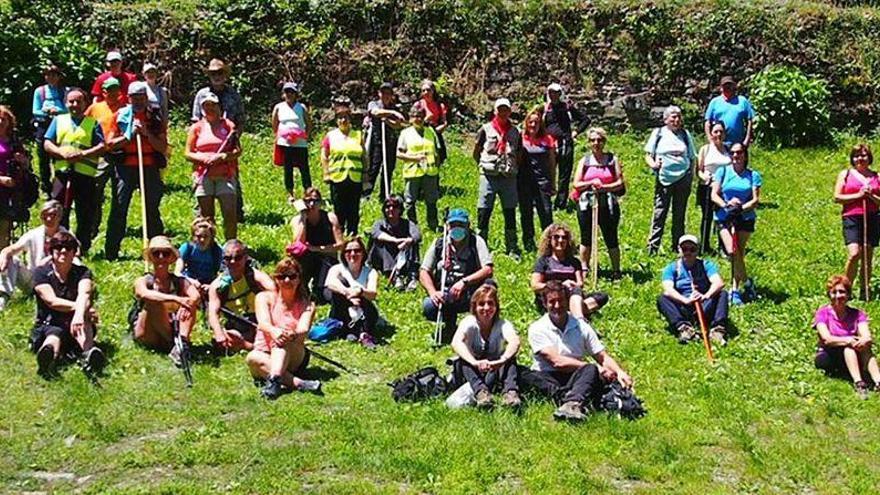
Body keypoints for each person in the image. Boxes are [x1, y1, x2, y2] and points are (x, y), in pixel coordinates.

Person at [523, 280, 633, 421]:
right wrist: (597, 369)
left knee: (590, 370)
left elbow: (602, 356)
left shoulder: (581, 326)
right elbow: (557, 362)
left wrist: (619, 372)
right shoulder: (537, 328)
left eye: (561, 300)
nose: (557, 305)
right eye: (552, 302)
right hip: (547, 376)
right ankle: (573, 396)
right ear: (545, 304)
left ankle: (572, 404)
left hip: (575, 377)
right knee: (524, 374)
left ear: (567, 300)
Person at [104, 81, 168, 261]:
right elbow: (109, 144)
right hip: (125, 168)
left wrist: (147, 134)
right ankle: (111, 252)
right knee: (119, 207)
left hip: (149, 168)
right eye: (134, 98)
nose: (138, 101)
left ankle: (158, 250)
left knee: (151, 209)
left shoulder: (155, 117)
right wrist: (128, 136)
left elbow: (163, 147)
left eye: (141, 98)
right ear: (128, 98)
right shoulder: (120, 116)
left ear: (146, 98)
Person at [246, 258, 322, 400]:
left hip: (294, 353)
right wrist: (275, 331)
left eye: (292, 276)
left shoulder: (307, 305)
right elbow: (263, 323)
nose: (287, 281)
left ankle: (274, 381)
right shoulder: (263, 298)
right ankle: (299, 383)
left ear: (299, 279)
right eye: (282, 277)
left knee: (282, 341)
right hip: (265, 352)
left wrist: (290, 334)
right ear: (276, 279)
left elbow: (303, 328)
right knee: (252, 357)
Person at [31, 231, 104, 378]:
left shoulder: (83, 272)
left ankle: (88, 354)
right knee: (54, 335)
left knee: (84, 321)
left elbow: (85, 294)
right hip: (49, 322)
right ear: (51, 251)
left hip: (75, 322)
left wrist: (79, 315)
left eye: (69, 247)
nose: (63, 250)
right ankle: (48, 357)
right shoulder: (41, 273)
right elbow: (52, 301)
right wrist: (81, 309)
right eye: (58, 247)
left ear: (74, 252)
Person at [42, 88, 105, 254]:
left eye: (79, 101)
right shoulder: (58, 120)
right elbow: (47, 143)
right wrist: (61, 152)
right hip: (62, 174)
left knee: (85, 212)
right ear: (66, 103)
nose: (75, 105)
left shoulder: (93, 123)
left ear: (85, 103)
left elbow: (101, 146)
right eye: (71, 101)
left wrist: (82, 154)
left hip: (85, 175)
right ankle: (58, 244)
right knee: (57, 210)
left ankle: (81, 248)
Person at [420, 208, 494, 340]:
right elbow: (424, 271)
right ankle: (449, 324)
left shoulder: (476, 241)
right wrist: (433, 293)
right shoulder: (439, 244)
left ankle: (481, 327)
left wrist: (464, 282)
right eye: (453, 225)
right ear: (447, 226)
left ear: (467, 226)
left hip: (470, 291)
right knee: (428, 306)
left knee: (489, 287)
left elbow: (487, 269)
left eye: (460, 225)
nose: (456, 228)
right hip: (446, 290)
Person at [450, 285, 522, 409]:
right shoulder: (469, 322)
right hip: (470, 372)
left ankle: (510, 394)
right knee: (462, 360)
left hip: (493, 369)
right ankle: (481, 394)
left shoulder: (503, 324)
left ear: (496, 306)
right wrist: (475, 362)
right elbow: (456, 342)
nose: (486, 308)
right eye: (481, 304)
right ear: (475, 306)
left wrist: (501, 360)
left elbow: (515, 341)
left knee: (510, 359)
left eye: (490, 303)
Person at [132, 236, 201, 365]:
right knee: (154, 302)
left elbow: (195, 296)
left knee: (190, 303)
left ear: (171, 258)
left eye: (166, 253)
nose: (161, 257)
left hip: (170, 327)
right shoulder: (143, 280)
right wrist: (176, 299)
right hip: (148, 333)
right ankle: (176, 345)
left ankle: (182, 343)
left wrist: (186, 304)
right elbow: (143, 294)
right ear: (151, 258)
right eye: (156, 253)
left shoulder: (179, 281)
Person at [192, 58, 246, 218]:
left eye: (220, 72)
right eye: (213, 73)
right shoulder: (202, 94)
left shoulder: (233, 94)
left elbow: (240, 119)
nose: (217, 76)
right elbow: (195, 120)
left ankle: (236, 212)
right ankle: (201, 214)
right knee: (202, 176)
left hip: (227, 144)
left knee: (231, 174)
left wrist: (233, 139)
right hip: (205, 145)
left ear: (225, 74)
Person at [813, 274, 880, 399]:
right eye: (834, 292)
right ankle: (859, 383)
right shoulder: (822, 313)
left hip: (853, 354)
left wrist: (863, 341)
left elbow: (867, 336)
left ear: (848, 295)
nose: (838, 296)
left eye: (842, 292)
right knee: (849, 348)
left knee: (866, 348)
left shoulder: (857, 314)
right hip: (828, 354)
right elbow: (826, 339)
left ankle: (878, 381)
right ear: (829, 295)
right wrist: (848, 340)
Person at [711, 143, 762, 305]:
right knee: (732, 251)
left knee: (739, 252)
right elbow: (714, 194)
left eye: (739, 152)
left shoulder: (753, 175)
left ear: (745, 155)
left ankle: (734, 289)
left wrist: (740, 208)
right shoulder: (722, 172)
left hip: (745, 217)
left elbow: (755, 200)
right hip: (724, 216)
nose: (735, 156)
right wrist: (727, 206)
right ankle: (747, 283)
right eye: (732, 153)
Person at [185, 92, 241, 240]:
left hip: (225, 174)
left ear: (218, 106)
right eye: (206, 106)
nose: (210, 108)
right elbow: (188, 153)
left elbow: (237, 150)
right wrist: (203, 158)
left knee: (230, 213)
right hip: (203, 175)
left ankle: (230, 246)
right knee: (207, 217)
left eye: (213, 105)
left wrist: (223, 156)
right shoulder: (196, 128)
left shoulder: (228, 126)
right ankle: (211, 247)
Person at [571, 127, 624, 278]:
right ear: (589, 143)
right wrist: (591, 184)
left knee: (610, 235)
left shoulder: (612, 160)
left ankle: (616, 270)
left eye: (599, 140)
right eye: (593, 140)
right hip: (586, 203)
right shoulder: (585, 161)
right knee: (586, 236)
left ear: (604, 142)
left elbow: (620, 182)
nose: (596, 143)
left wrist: (605, 187)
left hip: (608, 203)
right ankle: (585, 268)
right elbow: (576, 184)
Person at [657, 234, 729, 345]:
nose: (688, 252)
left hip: (704, 304)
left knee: (722, 293)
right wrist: (685, 300)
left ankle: (717, 330)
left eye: (692, 249)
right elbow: (668, 288)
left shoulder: (706, 265)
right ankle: (684, 328)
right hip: (684, 305)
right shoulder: (672, 268)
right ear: (679, 250)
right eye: (684, 249)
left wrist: (706, 296)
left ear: (697, 251)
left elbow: (718, 283)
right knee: (663, 298)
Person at [473, 98, 521, 259]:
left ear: (509, 111)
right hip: (489, 175)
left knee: (510, 210)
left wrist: (514, 166)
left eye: (505, 109)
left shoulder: (515, 131)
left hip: (508, 176)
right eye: (500, 109)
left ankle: (512, 246)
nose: (503, 112)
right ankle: (481, 245)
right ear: (495, 111)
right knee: (484, 209)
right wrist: (482, 165)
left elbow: (519, 152)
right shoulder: (486, 129)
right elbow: (477, 149)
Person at [644, 105, 696, 255]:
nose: (677, 119)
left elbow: (692, 157)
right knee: (660, 213)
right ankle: (653, 247)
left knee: (679, 214)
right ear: (666, 119)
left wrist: (691, 176)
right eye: (673, 116)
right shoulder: (658, 133)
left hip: (683, 179)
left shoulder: (685, 135)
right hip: (664, 179)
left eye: (679, 116)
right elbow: (648, 154)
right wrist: (654, 165)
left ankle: (677, 246)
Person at [207, 239, 275, 353]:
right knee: (223, 340)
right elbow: (213, 312)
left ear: (246, 258)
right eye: (228, 258)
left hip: (259, 320)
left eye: (237, 258)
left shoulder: (256, 277)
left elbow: (276, 294)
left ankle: (248, 345)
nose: (233, 262)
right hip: (236, 323)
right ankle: (250, 345)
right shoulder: (217, 285)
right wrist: (219, 333)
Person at [530, 223, 609, 319]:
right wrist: (560, 286)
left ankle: (570, 310)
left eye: (564, 238)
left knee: (602, 296)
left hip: (571, 294)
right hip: (552, 296)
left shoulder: (574, 262)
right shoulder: (543, 261)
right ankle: (579, 317)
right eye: (556, 237)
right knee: (575, 295)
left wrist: (572, 285)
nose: (560, 240)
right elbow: (535, 285)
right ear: (550, 240)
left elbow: (580, 283)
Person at [833, 144, 880, 300]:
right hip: (852, 217)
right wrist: (859, 196)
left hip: (872, 217)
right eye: (857, 155)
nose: (860, 158)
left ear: (869, 158)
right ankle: (845, 288)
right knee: (854, 254)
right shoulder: (845, 174)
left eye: (864, 155)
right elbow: (837, 197)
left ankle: (864, 289)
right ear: (852, 158)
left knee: (867, 254)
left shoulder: (877, 176)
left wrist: (871, 196)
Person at [0, 201, 67, 310]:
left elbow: (76, 256)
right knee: (12, 259)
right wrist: (4, 255)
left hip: (55, 283)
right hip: (34, 280)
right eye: (45, 216)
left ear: (59, 217)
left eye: (52, 215)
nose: (49, 219)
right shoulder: (34, 234)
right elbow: (13, 248)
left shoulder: (66, 236)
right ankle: (3, 297)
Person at [85, 77, 125, 241]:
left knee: (119, 196)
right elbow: (84, 126)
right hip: (99, 155)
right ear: (103, 92)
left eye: (116, 89)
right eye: (110, 90)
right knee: (94, 192)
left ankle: (113, 236)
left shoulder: (125, 109)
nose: (113, 93)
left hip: (120, 155)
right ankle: (92, 229)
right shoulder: (95, 108)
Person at [324, 237, 380, 349]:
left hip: (364, 310)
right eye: (348, 251)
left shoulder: (370, 272)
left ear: (363, 253)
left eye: (357, 250)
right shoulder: (337, 269)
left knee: (364, 298)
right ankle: (352, 331)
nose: (353, 254)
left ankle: (360, 333)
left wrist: (359, 291)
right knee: (338, 289)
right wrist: (348, 294)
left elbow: (373, 294)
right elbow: (329, 283)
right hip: (343, 310)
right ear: (343, 254)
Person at [290, 187, 344, 303]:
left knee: (324, 296)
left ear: (321, 203)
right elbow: (297, 244)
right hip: (307, 259)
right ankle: (302, 289)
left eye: (315, 201)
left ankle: (319, 289)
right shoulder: (297, 221)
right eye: (308, 201)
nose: (312, 204)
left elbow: (340, 244)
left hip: (327, 258)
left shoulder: (330, 218)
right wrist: (304, 218)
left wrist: (317, 249)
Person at [321, 100, 366, 236]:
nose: (343, 120)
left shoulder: (358, 135)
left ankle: (353, 234)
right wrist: (326, 173)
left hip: (354, 177)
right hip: (337, 178)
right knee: (339, 209)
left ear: (349, 119)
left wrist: (365, 172)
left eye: (345, 117)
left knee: (353, 208)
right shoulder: (330, 136)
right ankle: (339, 234)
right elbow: (324, 156)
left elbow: (364, 155)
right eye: (340, 118)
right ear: (336, 121)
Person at [543, 83, 589, 209]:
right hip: (549, 145)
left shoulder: (567, 107)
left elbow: (585, 119)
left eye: (556, 92)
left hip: (565, 143)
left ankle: (561, 203)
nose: (554, 95)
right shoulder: (545, 108)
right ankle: (545, 200)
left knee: (564, 174)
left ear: (560, 94)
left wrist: (575, 132)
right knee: (547, 173)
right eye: (551, 92)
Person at [518, 105, 557, 251]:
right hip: (524, 182)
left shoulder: (548, 139)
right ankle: (528, 243)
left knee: (546, 212)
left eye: (536, 122)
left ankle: (549, 244)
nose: (533, 125)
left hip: (543, 181)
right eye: (531, 122)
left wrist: (553, 183)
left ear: (541, 124)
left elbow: (552, 163)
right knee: (526, 212)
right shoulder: (521, 139)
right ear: (526, 123)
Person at [397, 103, 440, 231]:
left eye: (421, 116)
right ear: (410, 118)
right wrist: (414, 158)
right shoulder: (405, 133)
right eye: (415, 116)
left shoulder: (430, 132)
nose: (418, 119)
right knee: (410, 201)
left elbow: (436, 151)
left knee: (431, 201)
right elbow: (399, 153)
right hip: (412, 172)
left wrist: (437, 166)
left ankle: (433, 226)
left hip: (430, 172)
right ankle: (412, 226)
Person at [368, 194, 422, 290]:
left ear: (400, 209)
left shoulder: (407, 223)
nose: (391, 209)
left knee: (413, 242)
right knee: (381, 242)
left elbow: (417, 235)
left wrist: (407, 241)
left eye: (395, 206)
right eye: (388, 206)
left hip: (402, 255)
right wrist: (395, 240)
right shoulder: (380, 223)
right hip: (382, 259)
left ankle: (412, 276)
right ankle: (394, 276)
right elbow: (375, 233)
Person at [364, 82, 406, 200]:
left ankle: (384, 194)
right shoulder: (373, 104)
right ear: (379, 93)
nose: (385, 95)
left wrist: (388, 120)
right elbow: (375, 112)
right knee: (373, 168)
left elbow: (398, 124)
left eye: (388, 93)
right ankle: (366, 193)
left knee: (388, 168)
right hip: (376, 142)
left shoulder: (394, 107)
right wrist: (392, 113)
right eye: (383, 93)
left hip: (391, 142)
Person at [31, 63, 68, 195]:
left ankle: (60, 186)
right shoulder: (39, 92)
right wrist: (47, 112)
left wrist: (58, 111)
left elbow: (68, 110)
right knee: (43, 158)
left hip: (60, 127)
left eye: (54, 75)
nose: (51, 77)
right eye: (48, 75)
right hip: (43, 126)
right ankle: (46, 186)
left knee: (59, 157)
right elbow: (35, 111)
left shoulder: (65, 91)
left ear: (59, 77)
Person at [695, 121, 731, 253]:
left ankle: (723, 246)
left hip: (724, 188)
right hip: (708, 188)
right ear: (711, 134)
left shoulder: (728, 150)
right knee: (707, 217)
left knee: (724, 216)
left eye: (721, 132)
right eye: (716, 131)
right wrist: (704, 177)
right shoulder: (705, 149)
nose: (719, 134)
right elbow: (698, 170)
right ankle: (704, 245)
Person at [272, 82, 312, 201]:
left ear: (296, 94)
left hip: (300, 142)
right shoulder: (279, 107)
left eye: (291, 92)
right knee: (287, 168)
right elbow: (274, 123)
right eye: (286, 92)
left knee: (304, 168)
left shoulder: (301, 107)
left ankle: (308, 191)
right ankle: (290, 193)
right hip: (285, 143)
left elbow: (309, 123)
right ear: (283, 94)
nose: (289, 94)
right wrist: (280, 135)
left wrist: (306, 136)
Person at [0, 105, 30, 250]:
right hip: (3, 183)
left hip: (10, 192)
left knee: (5, 228)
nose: (0, 122)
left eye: (3, 119)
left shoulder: (15, 141)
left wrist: (23, 162)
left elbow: (26, 166)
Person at [703, 76, 755, 148]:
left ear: (734, 87)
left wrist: (747, 139)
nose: (727, 88)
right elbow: (707, 122)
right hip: (719, 144)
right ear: (721, 88)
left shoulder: (742, 101)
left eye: (729, 86)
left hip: (738, 144)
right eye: (725, 86)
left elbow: (750, 120)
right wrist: (710, 140)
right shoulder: (714, 102)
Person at [175, 217, 223, 291]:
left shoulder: (217, 250)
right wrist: (190, 281)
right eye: (198, 236)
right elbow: (177, 272)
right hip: (190, 281)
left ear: (211, 238)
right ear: (193, 237)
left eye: (206, 236)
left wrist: (212, 286)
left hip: (210, 283)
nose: (202, 240)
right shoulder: (187, 248)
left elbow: (224, 273)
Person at [418, 80, 448, 164]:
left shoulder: (439, 106)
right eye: (423, 90)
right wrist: (426, 120)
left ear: (433, 91)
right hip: (421, 135)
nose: (426, 92)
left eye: (428, 90)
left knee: (437, 160)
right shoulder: (418, 105)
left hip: (435, 135)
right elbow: (412, 122)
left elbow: (444, 122)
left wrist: (441, 128)